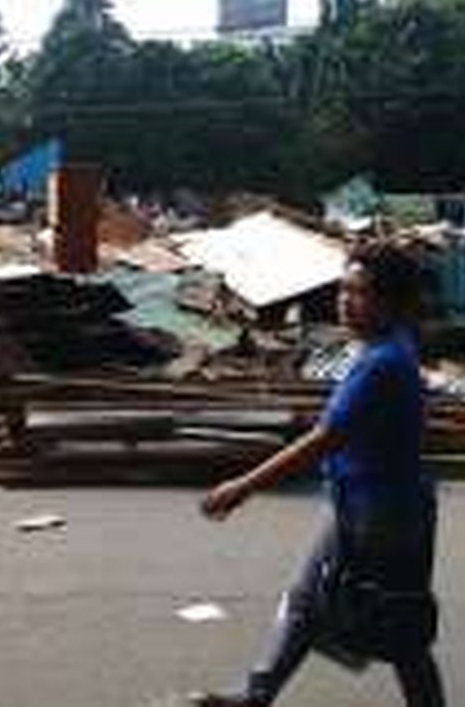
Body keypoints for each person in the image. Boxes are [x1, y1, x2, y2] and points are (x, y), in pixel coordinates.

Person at [190, 241, 445, 707]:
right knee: (310, 600)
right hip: (362, 504)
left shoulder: (382, 363)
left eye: (361, 293)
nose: (346, 301)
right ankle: (256, 694)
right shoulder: (387, 348)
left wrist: (242, 486)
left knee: (399, 627)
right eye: (344, 290)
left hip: (385, 515)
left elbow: (326, 438)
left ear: (392, 302)